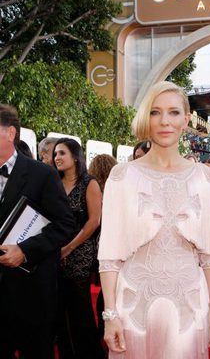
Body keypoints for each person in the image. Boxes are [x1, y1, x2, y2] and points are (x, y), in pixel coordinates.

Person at [98, 81, 210, 358]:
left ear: (186, 119)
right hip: (134, 303)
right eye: (155, 112)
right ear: (146, 117)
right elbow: (109, 256)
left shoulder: (203, 178)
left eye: (173, 112)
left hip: (189, 304)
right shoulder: (121, 176)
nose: (165, 121)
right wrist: (110, 315)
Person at [0, 104, 75, 359]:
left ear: (10, 133)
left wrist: (25, 251)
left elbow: (65, 224)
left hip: (30, 294)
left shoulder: (41, 174)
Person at [53, 138, 104, 359]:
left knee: (79, 305)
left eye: (62, 153)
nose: (57, 158)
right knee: (59, 306)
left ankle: (88, 353)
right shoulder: (53, 182)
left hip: (81, 250)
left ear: (75, 156)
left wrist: (70, 248)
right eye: (55, 154)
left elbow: (94, 221)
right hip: (55, 250)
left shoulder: (88, 183)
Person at [88, 153, 118, 344]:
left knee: (106, 291)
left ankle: (103, 331)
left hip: (102, 246)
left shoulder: (95, 190)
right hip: (114, 247)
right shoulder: (117, 190)